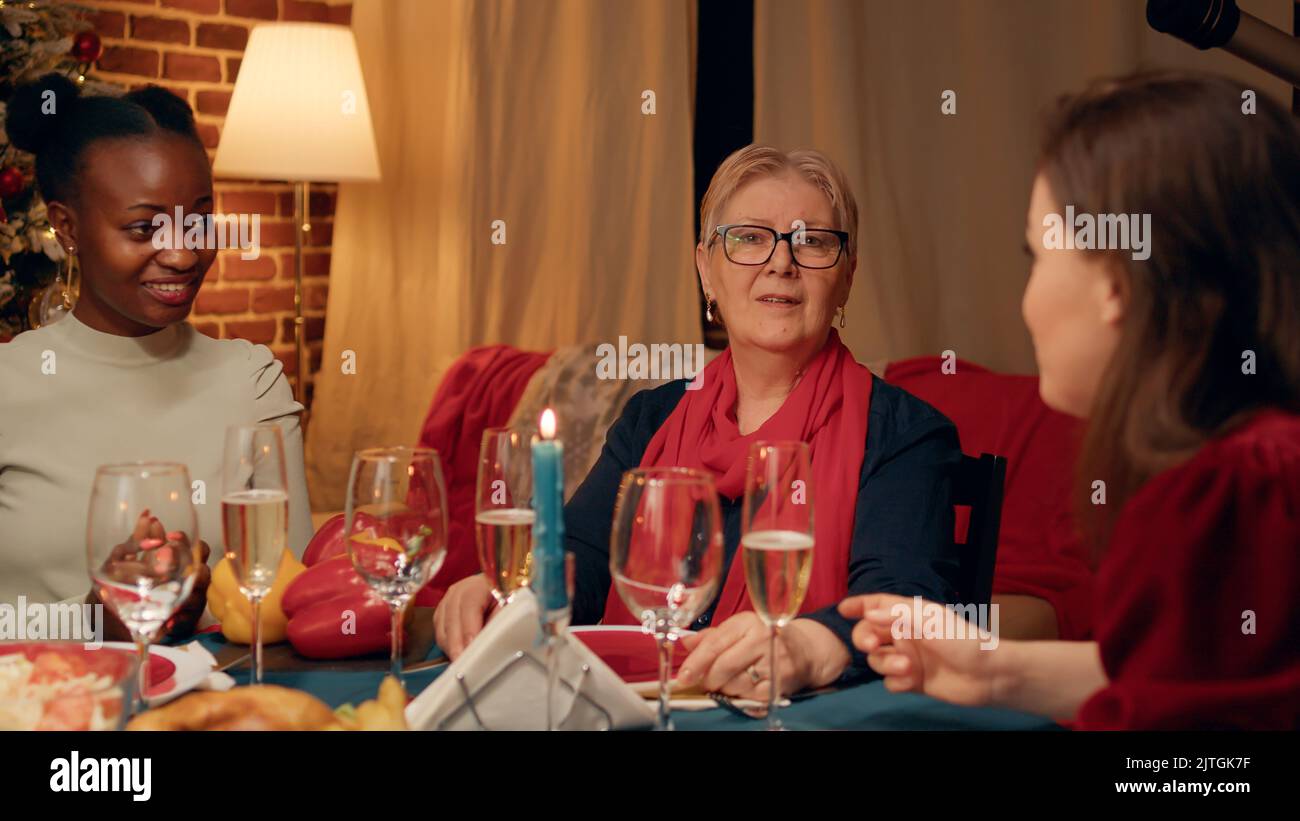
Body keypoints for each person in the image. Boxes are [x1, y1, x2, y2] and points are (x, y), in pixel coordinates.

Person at [844, 72, 1300, 729]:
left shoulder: (1220, 501)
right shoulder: (1262, 464)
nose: (1026, 298)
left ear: (1115, 281)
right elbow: (1192, 682)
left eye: (1038, 254)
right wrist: (998, 668)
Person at [438, 144, 966, 699]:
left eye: (812, 242)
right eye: (749, 238)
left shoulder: (905, 434)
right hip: (643, 709)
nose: (781, 262)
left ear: (847, 276)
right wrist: (514, 593)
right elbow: (587, 556)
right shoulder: (652, 418)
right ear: (705, 270)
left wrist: (813, 645)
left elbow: (912, 609)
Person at [0, 74, 313, 638]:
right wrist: (93, 621)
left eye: (197, 219)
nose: (182, 252)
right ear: (66, 227)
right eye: (144, 228)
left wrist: (204, 612)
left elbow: (295, 601)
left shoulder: (252, 382)